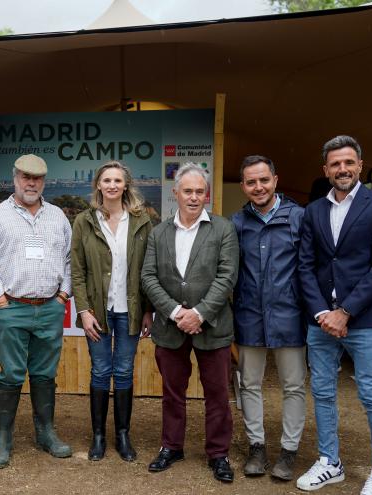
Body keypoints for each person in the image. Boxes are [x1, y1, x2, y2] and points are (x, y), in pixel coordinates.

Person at [296, 136, 372, 494]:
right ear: (326, 170)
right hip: (320, 319)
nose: (342, 169)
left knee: (371, 393)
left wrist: (346, 312)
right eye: (335, 164)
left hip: (364, 319)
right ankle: (330, 462)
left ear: (360, 166)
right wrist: (324, 312)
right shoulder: (313, 211)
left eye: (348, 162)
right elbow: (305, 267)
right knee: (322, 391)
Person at [141, 163, 239, 483]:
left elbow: (227, 277)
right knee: (172, 392)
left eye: (200, 191)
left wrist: (198, 314)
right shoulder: (159, 232)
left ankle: (218, 454)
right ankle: (171, 446)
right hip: (170, 328)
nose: (194, 197)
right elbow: (148, 277)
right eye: (188, 191)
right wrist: (175, 312)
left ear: (206, 194)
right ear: (176, 194)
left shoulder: (223, 229)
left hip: (212, 326)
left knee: (217, 395)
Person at [0, 154, 73, 469]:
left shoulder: (57, 216)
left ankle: (45, 432)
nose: (31, 183)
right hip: (13, 308)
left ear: (44, 181)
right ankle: (3, 438)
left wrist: (63, 295)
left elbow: (70, 260)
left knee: (45, 373)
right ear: (14, 178)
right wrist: (0, 300)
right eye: (25, 177)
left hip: (49, 308)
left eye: (37, 178)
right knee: (12, 374)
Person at [70, 160, 153, 462]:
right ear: (98, 185)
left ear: (126, 185)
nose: (112, 185)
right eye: (107, 180)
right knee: (101, 371)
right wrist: (84, 310)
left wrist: (148, 310)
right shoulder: (85, 221)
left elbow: (149, 270)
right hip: (98, 311)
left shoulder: (142, 220)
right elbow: (77, 271)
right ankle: (98, 436)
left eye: (118, 180)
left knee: (124, 371)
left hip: (130, 310)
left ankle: (122, 435)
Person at [231, 155, 306, 481]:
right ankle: (257, 447)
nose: (258, 187)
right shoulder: (236, 223)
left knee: (294, 385)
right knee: (249, 384)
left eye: (264, 180)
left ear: (275, 180)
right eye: (251, 182)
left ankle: (289, 451)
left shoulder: (299, 218)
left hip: (289, 315)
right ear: (244, 186)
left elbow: (310, 269)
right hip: (249, 315)